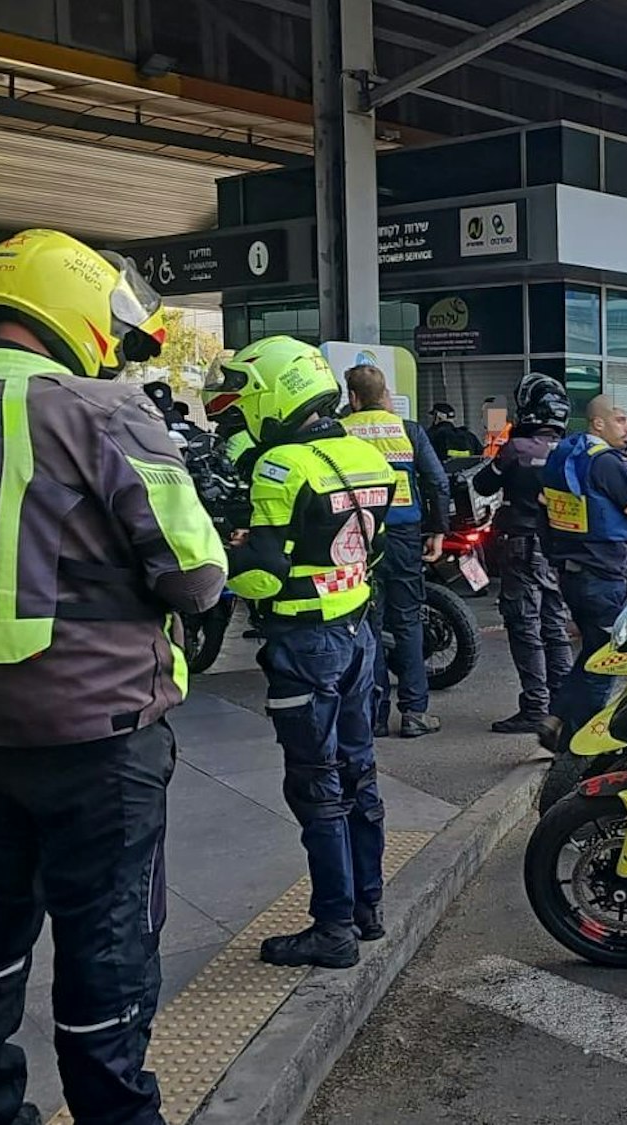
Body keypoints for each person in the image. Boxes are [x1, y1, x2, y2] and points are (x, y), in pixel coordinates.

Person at [0, 229, 226, 1125]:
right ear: (65, 309)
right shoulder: (99, 411)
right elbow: (197, 575)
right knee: (107, 946)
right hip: (101, 737)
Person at [213, 336, 398, 970]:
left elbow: (263, 576)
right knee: (359, 775)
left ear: (273, 391)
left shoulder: (280, 465)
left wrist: (215, 562)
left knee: (317, 787)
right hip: (357, 632)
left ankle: (333, 928)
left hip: (304, 644)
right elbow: (362, 548)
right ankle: (367, 910)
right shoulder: (366, 453)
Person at [341, 365, 452, 740]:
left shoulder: (342, 432)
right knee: (407, 623)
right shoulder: (409, 431)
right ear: (385, 394)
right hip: (405, 536)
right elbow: (437, 481)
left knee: (369, 625)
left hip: (357, 537)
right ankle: (414, 713)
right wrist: (438, 530)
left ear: (352, 397)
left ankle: (373, 715)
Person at [543, 395, 627, 732]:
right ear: (598, 423)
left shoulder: (564, 454)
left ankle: (557, 719)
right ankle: (575, 743)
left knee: (595, 649)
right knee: (609, 661)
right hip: (604, 576)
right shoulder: (606, 462)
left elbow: (544, 513)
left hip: (573, 573)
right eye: (621, 420)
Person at [474, 374, 574, 745]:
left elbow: (483, 484)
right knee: (554, 623)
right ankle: (562, 705)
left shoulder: (516, 450)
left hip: (520, 544)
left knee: (524, 625)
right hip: (555, 547)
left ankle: (535, 707)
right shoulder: (569, 450)